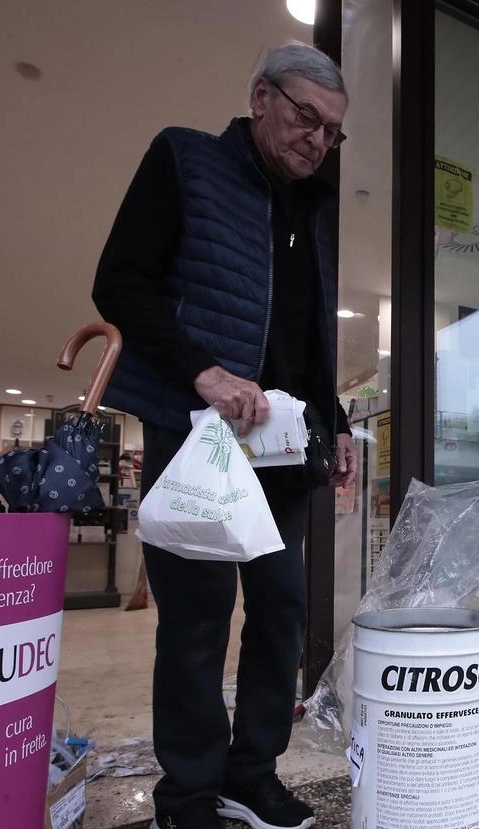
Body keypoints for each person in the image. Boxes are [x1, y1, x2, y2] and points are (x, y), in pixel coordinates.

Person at [92, 42, 356, 829]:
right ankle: (187, 795)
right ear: (261, 97)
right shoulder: (185, 159)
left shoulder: (313, 210)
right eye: (306, 116)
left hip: (281, 447)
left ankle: (251, 772)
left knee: (281, 615)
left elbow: (306, 338)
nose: (316, 138)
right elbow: (119, 283)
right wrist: (201, 372)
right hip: (196, 433)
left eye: (332, 130)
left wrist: (334, 419)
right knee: (198, 619)